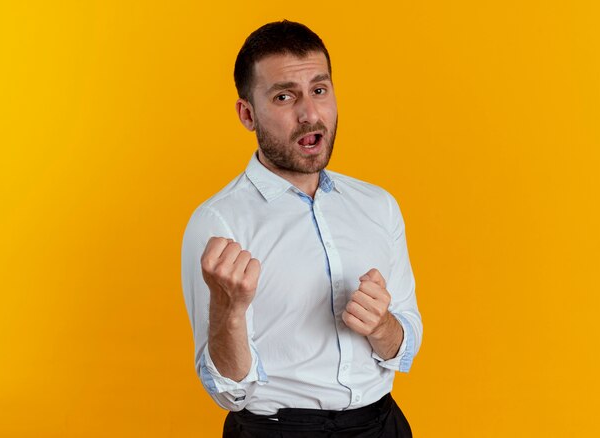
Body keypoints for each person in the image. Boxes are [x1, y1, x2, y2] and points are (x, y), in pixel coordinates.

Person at [181, 20, 423, 437]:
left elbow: (405, 347)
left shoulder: (378, 206)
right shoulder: (218, 223)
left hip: (382, 424)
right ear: (247, 114)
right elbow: (228, 392)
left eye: (319, 90)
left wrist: (382, 325)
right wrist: (229, 312)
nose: (310, 113)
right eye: (283, 96)